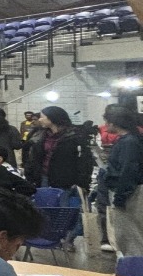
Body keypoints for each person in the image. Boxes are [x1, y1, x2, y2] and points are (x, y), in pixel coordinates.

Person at [101, 104, 143, 257]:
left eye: (107, 122)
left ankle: (134, 274)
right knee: (126, 237)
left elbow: (128, 170)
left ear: (114, 122)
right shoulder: (127, 140)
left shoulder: (129, 142)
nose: (105, 126)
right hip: (127, 192)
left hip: (129, 195)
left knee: (131, 237)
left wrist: (120, 197)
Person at [23, 106, 94, 192]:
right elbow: (33, 157)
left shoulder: (75, 136)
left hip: (67, 181)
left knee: (64, 204)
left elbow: (85, 161)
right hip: (43, 178)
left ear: (52, 118)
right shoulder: (40, 135)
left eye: (42, 117)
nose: (40, 119)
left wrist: (82, 182)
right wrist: (30, 175)